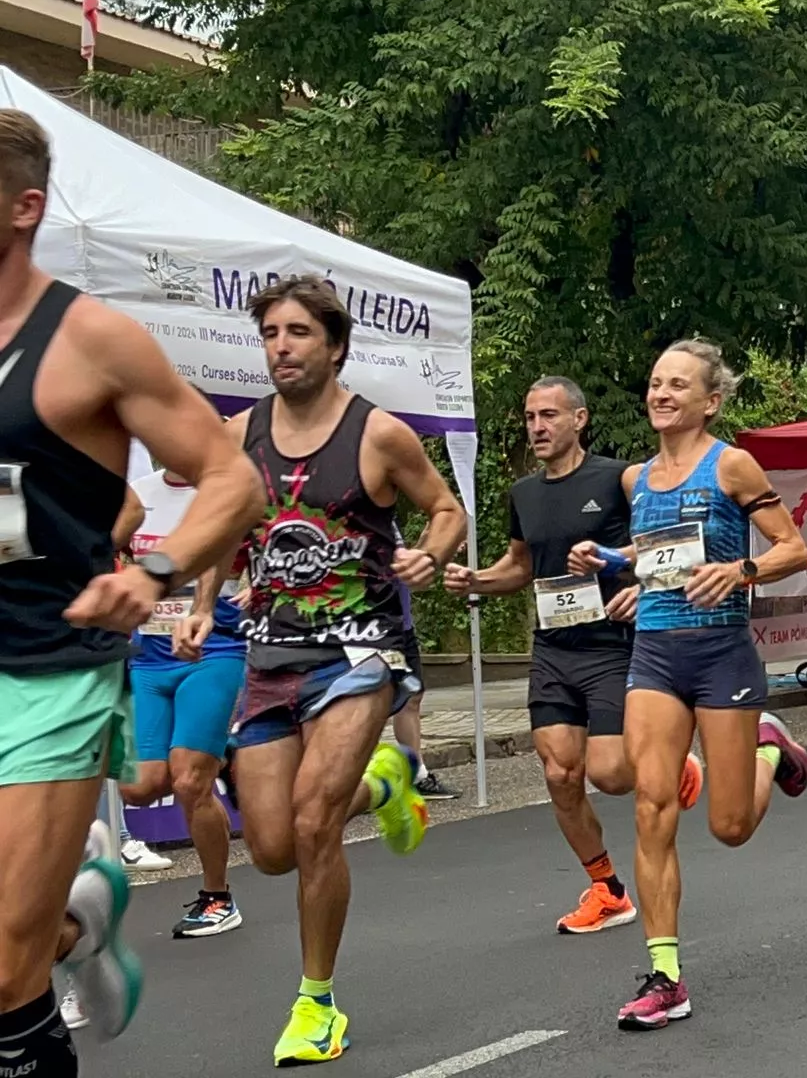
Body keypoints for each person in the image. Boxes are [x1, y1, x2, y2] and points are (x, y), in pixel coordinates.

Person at [0, 108, 263, 1070]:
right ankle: (75, 925)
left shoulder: (93, 340)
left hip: (49, 662)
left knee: (0, 970)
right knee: (14, 942)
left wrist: (151, 571)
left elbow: (233, 479)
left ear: (26, 208)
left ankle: (47, 942)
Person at [227, 275, 467, 1065]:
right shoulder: (242, 434)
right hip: (270, 654)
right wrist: (199, 599)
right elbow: (221, 523)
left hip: (360, 651)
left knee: (311, 822)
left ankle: (316, 1003)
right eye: (270, 334)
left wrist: (430, 556)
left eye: (297, 333)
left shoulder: (378, 434)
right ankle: (388, 781)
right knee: (268, 847)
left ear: (334, 345)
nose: (282, 347)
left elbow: (446, 508)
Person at [559, 340, 807, 1030]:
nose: (661, 394)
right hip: (655, 657)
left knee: (730, 826)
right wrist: (611, 557)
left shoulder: (730, 464)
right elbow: (659, 551)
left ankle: (769, 750)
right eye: (654, 382)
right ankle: (665, 974)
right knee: (651, 802)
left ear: (711, 401)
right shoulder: (637, 479)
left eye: (677, 385)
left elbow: (794, 548)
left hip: (722, 654)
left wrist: (740, 573)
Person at [443, 376, 684, 936]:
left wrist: (644, 588)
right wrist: (476, 581)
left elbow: (668, 542)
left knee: (613, 775)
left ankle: (676, 763)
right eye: (530, 417)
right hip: (553, 648)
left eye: (549, 415)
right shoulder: (524, 493)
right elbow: (520, 566)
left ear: (579, 419)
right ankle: (606, 889)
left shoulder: (620, 478)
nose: (537, 427)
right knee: (559, 772)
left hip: (613, 645)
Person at [122, 446, 248, 938]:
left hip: (214, 650)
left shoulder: (226, 493)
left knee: (190, 781)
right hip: (151, 656)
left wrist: (256, 584)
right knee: (139, 785)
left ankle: (217, 898)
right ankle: (229, 751)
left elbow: (267, 551)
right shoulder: (138, 498)